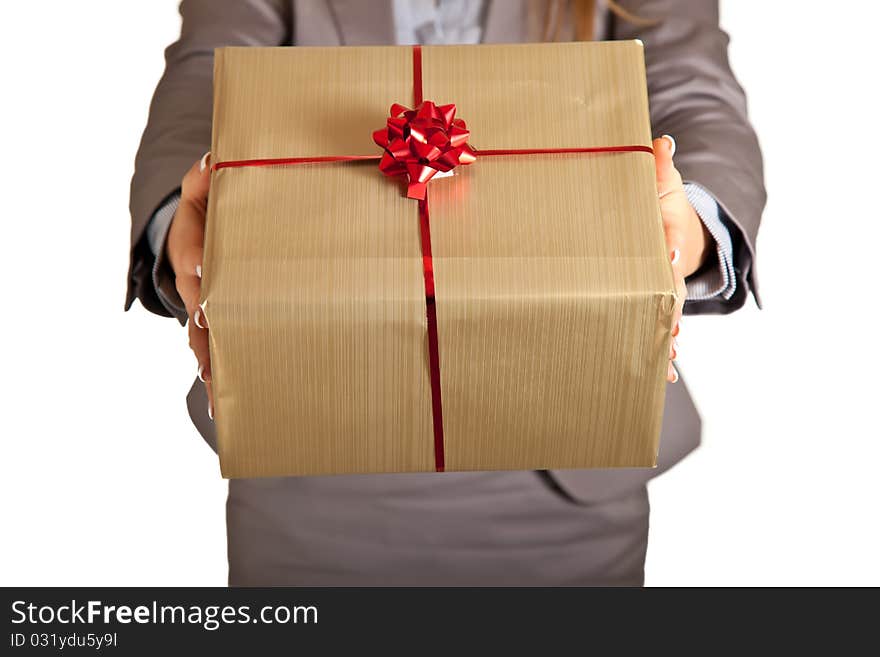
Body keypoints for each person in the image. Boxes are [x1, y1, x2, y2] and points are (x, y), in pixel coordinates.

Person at [126, 0, 764, 586]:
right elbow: (203, 87)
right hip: (309, 447)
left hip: (568, 457)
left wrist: (693, 226)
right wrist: (181, 228)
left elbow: (695, 95)